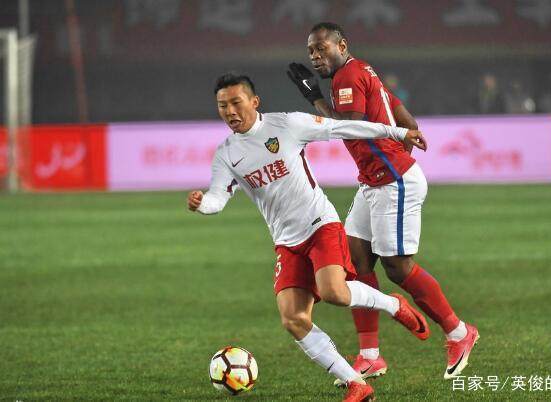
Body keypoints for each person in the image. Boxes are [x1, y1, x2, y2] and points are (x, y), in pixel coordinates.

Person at [188, 73, 430, 401]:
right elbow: (217, 198)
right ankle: (357, 384)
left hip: (320, 224)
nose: (229, 111)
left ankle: (393, 304)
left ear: (254, 102)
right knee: (294, 319)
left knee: (334, 292)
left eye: (235, 102)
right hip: (287, 242)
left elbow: (343, 127)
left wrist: (398, 132)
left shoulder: (288, 125)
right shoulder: (226, 154)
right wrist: (202, 203)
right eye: (222, 106)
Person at [287, 22, 479, 382]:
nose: (315, 56)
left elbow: (346, 127)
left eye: (321, 48)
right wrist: (399, 150)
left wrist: (313, 97)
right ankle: (370, 356)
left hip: (392, 181)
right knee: (356, 260)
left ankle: (458, 332)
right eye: (311, 51)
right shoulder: (364, 70)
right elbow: (405, 117)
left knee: (397, 268)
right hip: (376, 181)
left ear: (342, 45)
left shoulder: (347, 77)